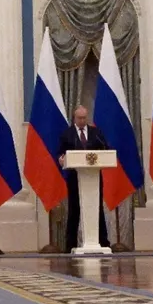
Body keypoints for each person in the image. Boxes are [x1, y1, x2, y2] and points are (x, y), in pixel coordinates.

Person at [57, 105, 110, 252]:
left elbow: (105, 148)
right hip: (75, 178)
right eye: (79, 118)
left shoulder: (96, 133)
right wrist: (61, 159)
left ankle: (103, 242)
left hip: (94, 177)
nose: (82, 120)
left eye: (84, 118)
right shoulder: (67, 134)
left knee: (97, 209)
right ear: (74, 118)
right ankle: (70, 245)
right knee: (74, 210)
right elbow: (61, 153)